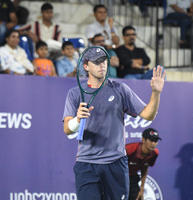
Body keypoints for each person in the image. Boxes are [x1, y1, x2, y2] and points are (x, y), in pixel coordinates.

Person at [62, 46, 166, 199]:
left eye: (104, 61)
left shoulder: (120, 89)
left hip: (116, 163)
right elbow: (67, 129)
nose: (102, 65)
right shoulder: (74, 93)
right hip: (87, 164)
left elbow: (148, 115)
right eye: (97, 62)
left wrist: (156, 93)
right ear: (86, 66)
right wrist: (77, 120)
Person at [126, 128, 161, 200]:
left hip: (132, 179)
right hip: (118, 178)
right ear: (143, 139)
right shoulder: (129, 150)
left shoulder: (155, 153)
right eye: (151, 140)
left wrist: (142, 188)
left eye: (156, 141)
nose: (153, 144)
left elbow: (145, 167)